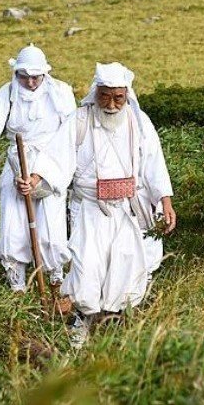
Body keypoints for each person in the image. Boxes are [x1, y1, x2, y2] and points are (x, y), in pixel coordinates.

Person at [61, 62, 176, 346]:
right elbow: (57, 158)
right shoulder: (79, 120)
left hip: (126, 209)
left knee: (123, 265)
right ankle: (81, 322)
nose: (111, 104)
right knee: (87, 266)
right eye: (105, 96)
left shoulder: (139, 122)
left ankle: (114, 323)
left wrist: (166, 200)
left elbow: (154, 164)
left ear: (127, 96)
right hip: (88, 208)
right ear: (95, 92)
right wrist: (38, 178)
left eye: (118, 98)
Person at [0, 44, 76, 292]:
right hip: (17, 163)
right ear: (16, 73)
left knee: (50, 229)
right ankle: (17, 288)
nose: (30, 83)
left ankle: (56, 286)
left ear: (45, 74)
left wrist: (40, 176)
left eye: (35, 77)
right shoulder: (8, 92)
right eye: (24, 77)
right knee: (13, 226)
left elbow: (70, 136)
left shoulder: (61, 92)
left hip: (52, 161)